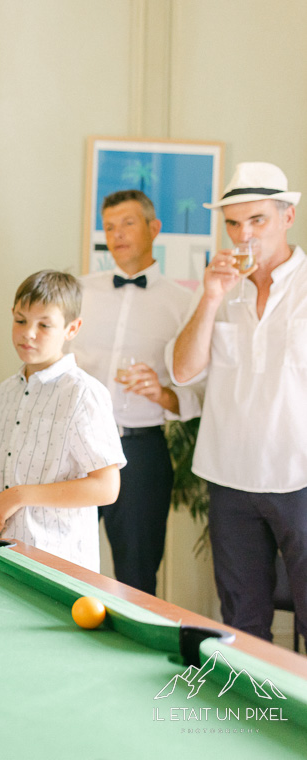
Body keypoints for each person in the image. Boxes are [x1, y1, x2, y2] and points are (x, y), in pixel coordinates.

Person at [168, 161, 307, 643]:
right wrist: (209, 298)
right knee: (243, 624)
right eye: (232, 223)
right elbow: (183, 372)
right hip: (230, 479)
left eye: (257, 220)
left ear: (288, 216)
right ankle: (251, 716)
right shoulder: (218, 289)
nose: (243, 235)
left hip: (300, 477)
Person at [73, 190, 202, 595]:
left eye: (127, 223)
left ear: (154, 228)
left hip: (142, 454)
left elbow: (197, 389)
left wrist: (162, 393)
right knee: (60, 561)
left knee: (138, 575)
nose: (117, 234)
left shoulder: (185, 303)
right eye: (109, 226)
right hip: (77, 448)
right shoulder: (79, 291)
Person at [0, 270, 125, 572]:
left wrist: (20, 494)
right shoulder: (3, 391)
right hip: (2, 557)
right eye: (20, 321)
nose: (28, 333)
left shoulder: (84, 393)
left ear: (72, 328)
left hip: (59, 562)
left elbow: (107, 488)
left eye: (44, 325)